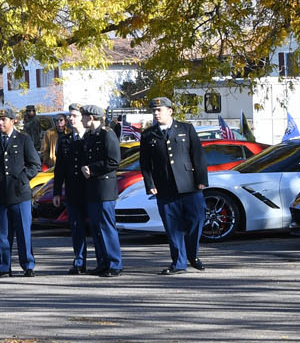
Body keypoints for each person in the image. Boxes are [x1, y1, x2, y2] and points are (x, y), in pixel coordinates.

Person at [140, 96, 208, 275]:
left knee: (197, 220)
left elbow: (198, 155)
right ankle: (178, 262)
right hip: (165, 186)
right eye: (154, 111)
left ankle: (192, 254)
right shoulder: (148, 135)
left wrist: (201, 180)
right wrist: (150, 183)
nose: (156, 113)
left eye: (159, 110)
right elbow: (145, 163)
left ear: (170, 111)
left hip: (189, 185)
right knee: (172, 226)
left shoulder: (186, 129)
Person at [0, 108, 41, 278]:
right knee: (3, 234)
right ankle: (4, 267)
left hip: (20, 194)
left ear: (13, 121)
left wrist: (23, 178)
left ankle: (28, 265)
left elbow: (35, 164)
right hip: (0, 193)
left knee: (23, 232)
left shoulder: (23, 139)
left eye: (4, 120)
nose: (0, 123)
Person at [81, 105, 125, 276]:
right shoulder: (89, 136)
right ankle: (103, 262)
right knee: (96, 228)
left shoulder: (107, 134)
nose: (82, 119)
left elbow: (114, 161)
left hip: (104, 188)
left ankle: (114, 264)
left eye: (84, 116)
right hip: (92, 188)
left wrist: (92, 169)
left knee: (107, 227)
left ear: (91, 117)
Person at [55, 106, 92, 274]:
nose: (71, 119)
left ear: (82, 118)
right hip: (73, 190)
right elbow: (60, 168)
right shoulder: (64, 140)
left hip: (91, 190)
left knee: (96, 228)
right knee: (76, 228)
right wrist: (57, 191)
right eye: (70, 116)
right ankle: (79, 261)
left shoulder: (91, 137)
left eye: (75, 115)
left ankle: (103, 261)